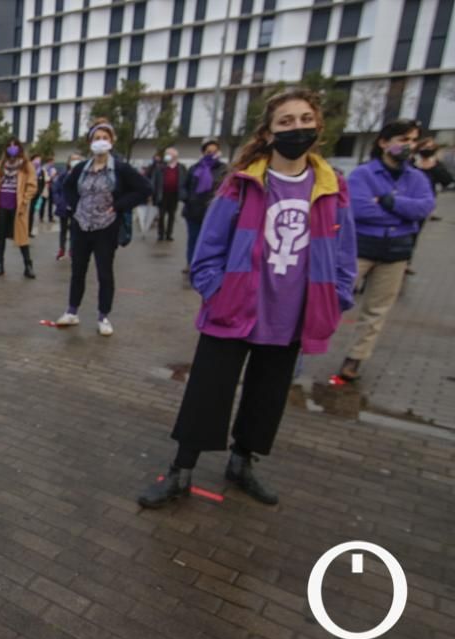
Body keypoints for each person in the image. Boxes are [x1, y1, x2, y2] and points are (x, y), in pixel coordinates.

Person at [137, 89, 358, 509]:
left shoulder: (332, 188)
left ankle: (242, 463)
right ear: (269, 132)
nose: (297, 128)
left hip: (292, 314)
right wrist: (218, 293)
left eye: (304, 120)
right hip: (234, 309)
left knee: (268, 395)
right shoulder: (243, 184)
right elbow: (207, 253)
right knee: (207, 391)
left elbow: (344, 252)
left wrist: (337, 298)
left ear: (318, 127)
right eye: (286, 122)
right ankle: (181, 471)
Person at [336, 119, 434, 382]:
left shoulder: (417, 178)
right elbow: (358, 208)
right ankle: (306, 346)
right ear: (383, 142)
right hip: (361, 248)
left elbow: (424, 208)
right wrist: (403, 213)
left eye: (413, 140)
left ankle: (354, 359)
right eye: (403, 139)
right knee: (332, 299)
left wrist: (389, 202)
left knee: (377, 309)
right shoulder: (363, 174)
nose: (408, 145)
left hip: (396, 252)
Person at [53, 120, 151, 336]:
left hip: (105, 228)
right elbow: (66, 187)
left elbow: (144, 189)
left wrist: (118, 206)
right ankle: (72, 311)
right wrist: (74, 204)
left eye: (105, 138)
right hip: (81, 225)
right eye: (97, 138)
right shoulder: (81, 168)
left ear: (112, 141)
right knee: (78, 270)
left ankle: (103, 316)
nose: (101, 142)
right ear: (90, 142)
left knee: (104, 273)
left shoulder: (121, 169)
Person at [0, 138, 38, 278]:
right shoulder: (2, 163)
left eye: (15, 145)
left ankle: (28, 266)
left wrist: (25, 200)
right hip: (1, 203)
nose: (12, 148)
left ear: (20, 148)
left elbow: (32, 185)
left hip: (18, 205)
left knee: (22, 237)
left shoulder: (26, 165)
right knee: (1, 236)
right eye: (9, 145)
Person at [179, 139, 228, 272]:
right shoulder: (195, 168)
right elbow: (183, 186)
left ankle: (206, 265)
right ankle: (190, 264)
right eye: (208, 151)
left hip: (213, 213)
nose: (211, 154)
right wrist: (186, 198)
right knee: (193, 240)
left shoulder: (224, 169)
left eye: (214, 151)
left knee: (210, 242)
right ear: (203, 152)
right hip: (193, 211)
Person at [51, 152, 82, 261]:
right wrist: (58, 201)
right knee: (63, 229)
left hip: (76, 207)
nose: (75, 161)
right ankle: (61, 249)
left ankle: (72, 250)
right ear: (69, 161)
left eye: (77, 159)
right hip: (64, 206)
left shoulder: (82, 175)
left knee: (74, 229)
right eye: (73, 159)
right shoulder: (63, 175)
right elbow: (56, 189)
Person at [151, 147, 186, 241]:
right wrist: (152, 193)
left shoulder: (181, 167)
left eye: (169, 154)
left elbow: (184, 181)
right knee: (161, 215)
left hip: (174, 195)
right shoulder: (160, 167)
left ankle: (169, 234)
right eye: (167, 153)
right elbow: (154, 180)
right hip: (162, 195)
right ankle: (160, 234)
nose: (167, 156)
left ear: (175, 156)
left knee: (172, 215)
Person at [29, 154, 46, 232]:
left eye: (39, 159)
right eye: (36, 159)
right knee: (26, 214)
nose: (38, 161)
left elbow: (43, 182)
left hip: (36, 194)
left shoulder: (41, 170)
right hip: (28, 194)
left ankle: (29, 230)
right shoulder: (28, 169)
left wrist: (40, 191)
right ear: (32, 160)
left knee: (32, 213)